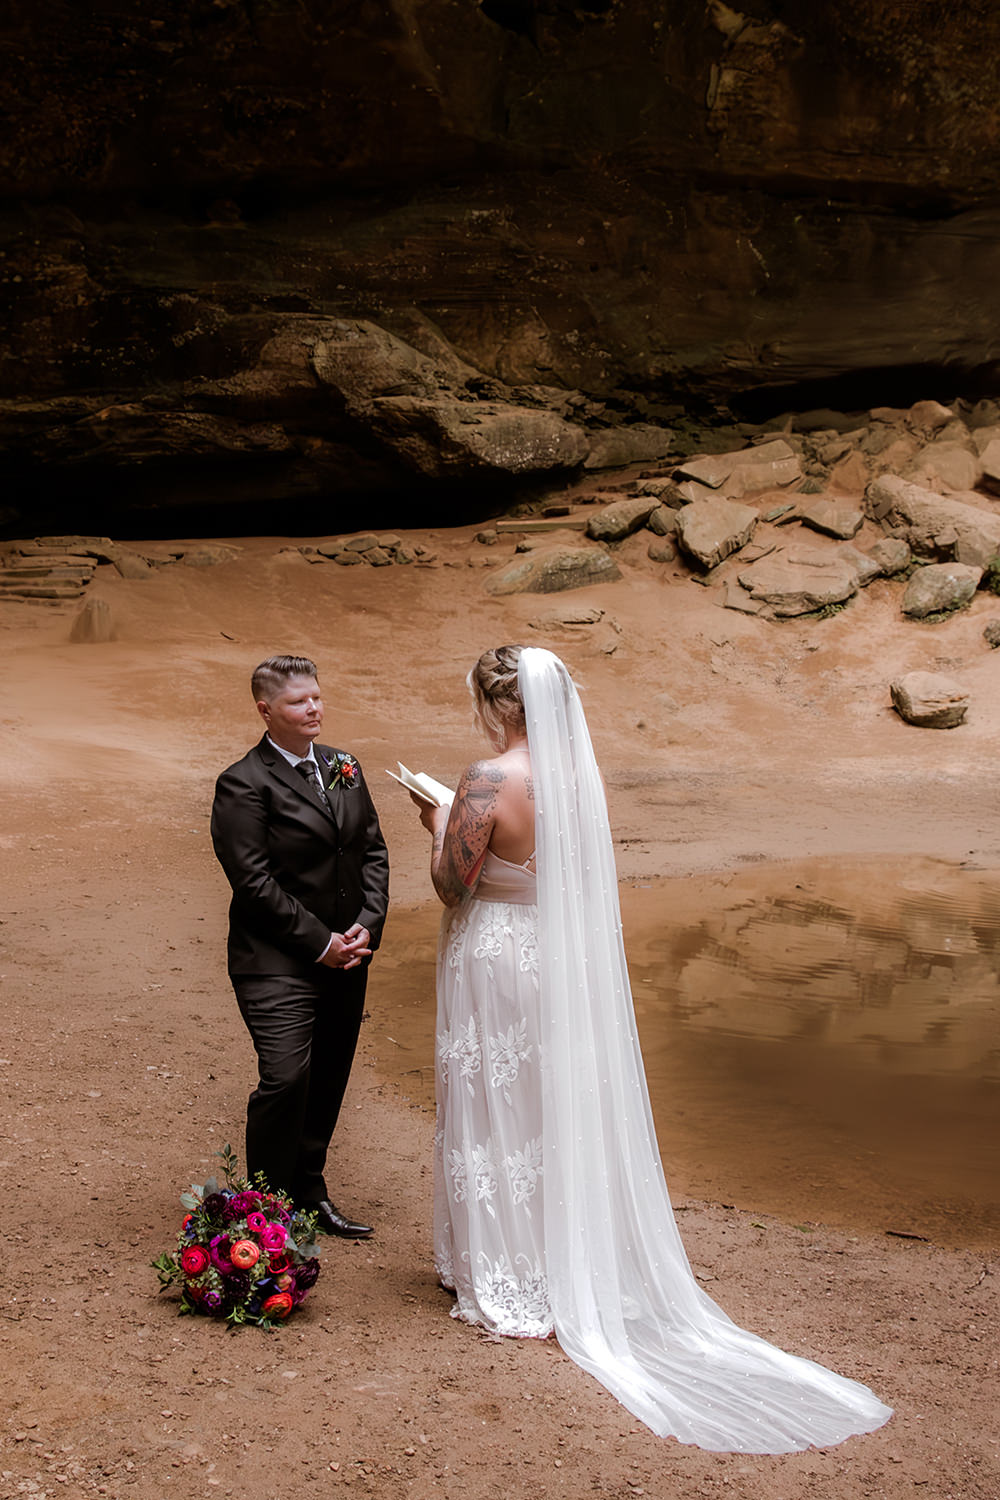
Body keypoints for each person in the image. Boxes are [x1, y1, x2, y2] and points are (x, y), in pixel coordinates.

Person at [413, 644, 892, 1453]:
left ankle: (511, 1277)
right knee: (550, 1101)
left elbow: (450, 882)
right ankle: (568, 1263)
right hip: (557, 958)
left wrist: (436, 823)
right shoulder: (579, 778)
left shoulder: (488, 780)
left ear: (502, 707)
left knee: (497, 1102)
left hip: (496, 953)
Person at [211, 654, 389, 1238]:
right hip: (276, 959)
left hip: (348, 954)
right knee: (286, 1076)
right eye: (297, 701)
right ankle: (261, 1210)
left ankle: (310, 1192)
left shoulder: (344, 766)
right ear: (266, 710)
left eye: (316, 697)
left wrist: (368, 922)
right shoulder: (243, 783)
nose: (313, 708)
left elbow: (372, 851)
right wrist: (320, 943)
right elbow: (253, 881)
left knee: (329, 1075)